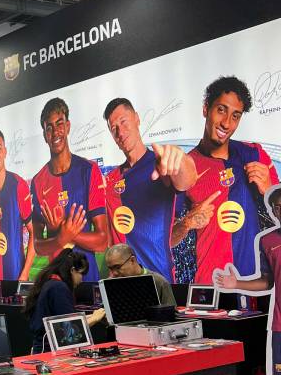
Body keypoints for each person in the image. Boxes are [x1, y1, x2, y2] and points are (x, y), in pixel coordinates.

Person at [171, 76, 279, 283]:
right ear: (206, 108)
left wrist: (269, 190)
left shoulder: (254, 154)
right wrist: (186, 223)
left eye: (235, 116)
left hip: (253, 283)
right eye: (221, 110)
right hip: (211, 284)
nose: (227, 123)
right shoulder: (186, 167)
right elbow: (167, 240)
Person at [215, 186, 281, 375]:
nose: (279, 211)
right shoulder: (267, 241)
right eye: (276, 207)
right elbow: (267, 281)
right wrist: (237, 284)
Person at [104, 97, 197, 280]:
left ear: (137, 119)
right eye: (114, 128)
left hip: (158, 281)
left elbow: (187, 179)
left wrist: (180, 160)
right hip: (123, 284)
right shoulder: (111, 180)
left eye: (124, 122)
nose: (120, 132)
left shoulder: (159, 163)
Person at [30, 97, 108, 280]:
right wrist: (61, 238)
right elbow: (38, 245)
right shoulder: (38, 181)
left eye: (59, 124)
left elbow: (102, 240)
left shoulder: (89, 170)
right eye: (49, 128)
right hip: (57, 282)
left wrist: (67, 233)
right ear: (45, 135)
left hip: (87, 281)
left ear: (68, 126)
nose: (55, 132)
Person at [23, 249, 105, 353]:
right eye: (81, 274)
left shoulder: (50, 283)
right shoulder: (59, 288)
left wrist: (91, 316)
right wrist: (94, 318)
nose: (81, 280)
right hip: (49, 352)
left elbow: (63, 320)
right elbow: (70, 330)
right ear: (72, 270)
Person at [0, 128, 35, 281]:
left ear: (5, 152)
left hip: (17, 276)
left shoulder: (18, 185)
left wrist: (25, 273)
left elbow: (34, 232)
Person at [104, 242, 176, 307]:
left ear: (132, 260)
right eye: (111, 269)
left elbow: (171, 314)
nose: (114, 273)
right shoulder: (111, 285)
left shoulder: (159, 282)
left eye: (117, 267)